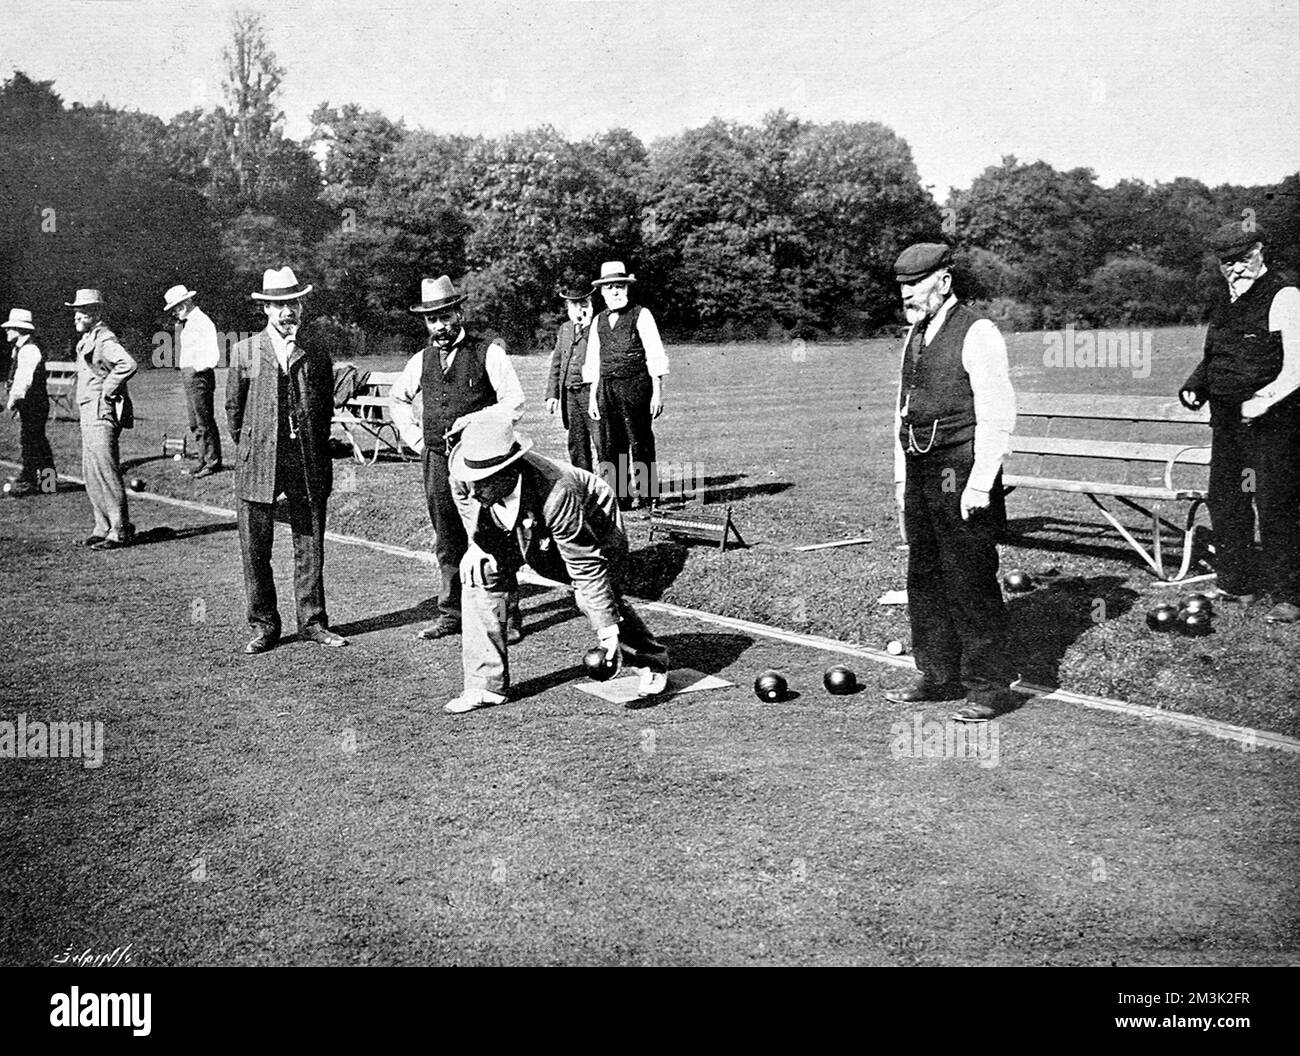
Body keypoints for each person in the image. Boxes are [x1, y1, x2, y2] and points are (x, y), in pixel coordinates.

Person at [443, 412, 669, 713]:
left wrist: (606, 634)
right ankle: (486, 684)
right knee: (481, 574)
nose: (472, 490)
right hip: (507, 520)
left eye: (481, 483)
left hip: (592, 517)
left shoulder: (557, 492)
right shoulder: (466, 477)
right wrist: (477, 544)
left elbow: (586, 567)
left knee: (591, 595)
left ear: (509, 471)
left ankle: (648, 659)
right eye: (470, 481)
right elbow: (469, 503)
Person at [882, 243, 1017, 722]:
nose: (907, 296)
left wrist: (980, 485)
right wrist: (902, 482)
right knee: (925, 576)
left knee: (970, 577)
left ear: (943, 280)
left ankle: (989, 687)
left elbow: (997, 415)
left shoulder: (978, 331)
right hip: (921, 471)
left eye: (915, 285)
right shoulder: (915, 334)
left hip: (961, 469)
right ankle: (937, 675)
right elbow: (904, 410)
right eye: (902, 288)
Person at [390, 275, 526, 642]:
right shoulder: (421, 360)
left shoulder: (488, 352)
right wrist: (418, 440)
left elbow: (514, 403)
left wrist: (478, 423)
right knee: (447, 537)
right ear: (426, 323)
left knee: (494, 534)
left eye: (446, 316)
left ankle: (507, 614)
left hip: (484, 464)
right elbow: (397, 399)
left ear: (459, 313)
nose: (440, 325)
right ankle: (451, 613)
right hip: (437, 461)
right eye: (432, 319)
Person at [1180, 221, 1300, 624]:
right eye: (1227, 263)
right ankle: (1237, 583)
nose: (1236, 270)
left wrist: (1263, 400)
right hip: (1228, 423)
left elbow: (1297, 369)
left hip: (1274, 425)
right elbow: (1214, 355)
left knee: (1275, 504)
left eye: (1243, 260)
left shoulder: (1284, 296)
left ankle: (1290, 594)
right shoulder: (1224, 301)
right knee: (1226, 502)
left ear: (1260, 252)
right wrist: (1195, 385)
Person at [225, 267, 347, 654]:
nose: (286, 312)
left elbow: (325, 404)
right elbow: (234, 410)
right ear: (265, 309)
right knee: (255, 547)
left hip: (305, 460)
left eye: (291, 303)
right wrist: (254, 445)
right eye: (277, 305)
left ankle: (312, 622)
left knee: (310, 543)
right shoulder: (244, 351)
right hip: (258, 460)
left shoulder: (316, 348)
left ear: (301, 304)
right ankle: (264, 625)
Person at [583, 261, 669, 510]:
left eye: (620, 286)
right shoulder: (598, 321)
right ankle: (619, 496)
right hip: (606, 388)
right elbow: (592, 362)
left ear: (627, 289)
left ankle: (648, 493)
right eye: (610, 287)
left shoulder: (641, 314)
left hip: (636, 386)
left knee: (639, 440)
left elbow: (655, 354)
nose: (616, 292)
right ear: (602, 292)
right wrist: (592, 399)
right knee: (611, 444)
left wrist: (657, 393)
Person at [68, 289, 137, 550]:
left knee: (105, 471)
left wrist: (108, 390)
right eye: (76, 310)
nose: (76, 315)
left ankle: (120, 529)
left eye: (82, 310)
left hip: (101, 410)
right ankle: (103, 526)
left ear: (95, 313)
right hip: (89, 411)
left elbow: (127, 364)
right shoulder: (88, 338)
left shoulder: (104, 338)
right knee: (91, 471)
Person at [164, 284, 223, 478]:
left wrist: (198, 369)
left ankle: (212, 462)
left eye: (178, 306)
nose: (175, 311)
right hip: (189, 375)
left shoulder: (202, 321)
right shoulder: (188, 323)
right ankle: (202, 459)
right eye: (174, 308)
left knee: (203, 420)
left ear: (188, 301)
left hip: (199, 376)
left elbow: (213, 354)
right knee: (194, 421)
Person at [544, 279, 597, 471]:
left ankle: (613, 490)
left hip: (592, 394)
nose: (578, 308)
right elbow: (557, 363)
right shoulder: (565, 328)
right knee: (577, 445)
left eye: (583, 303)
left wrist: (588, 325)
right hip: (570, 395)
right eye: (573, 304)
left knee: (602, 442)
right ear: (568, 306)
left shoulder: (598, 326)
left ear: (590, 303)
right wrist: (552, 394)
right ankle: (585, 489)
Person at [3, 309, 55, 496]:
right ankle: (34, 477)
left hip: (34, 402)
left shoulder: (29, 349)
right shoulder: (20, 348)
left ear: (20, 329)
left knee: (35, 441)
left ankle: (43, 482)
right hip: (30, 403)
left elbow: (23, 380)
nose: (7, 332)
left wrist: (12, 402)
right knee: (31, 440)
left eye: (11, 328)